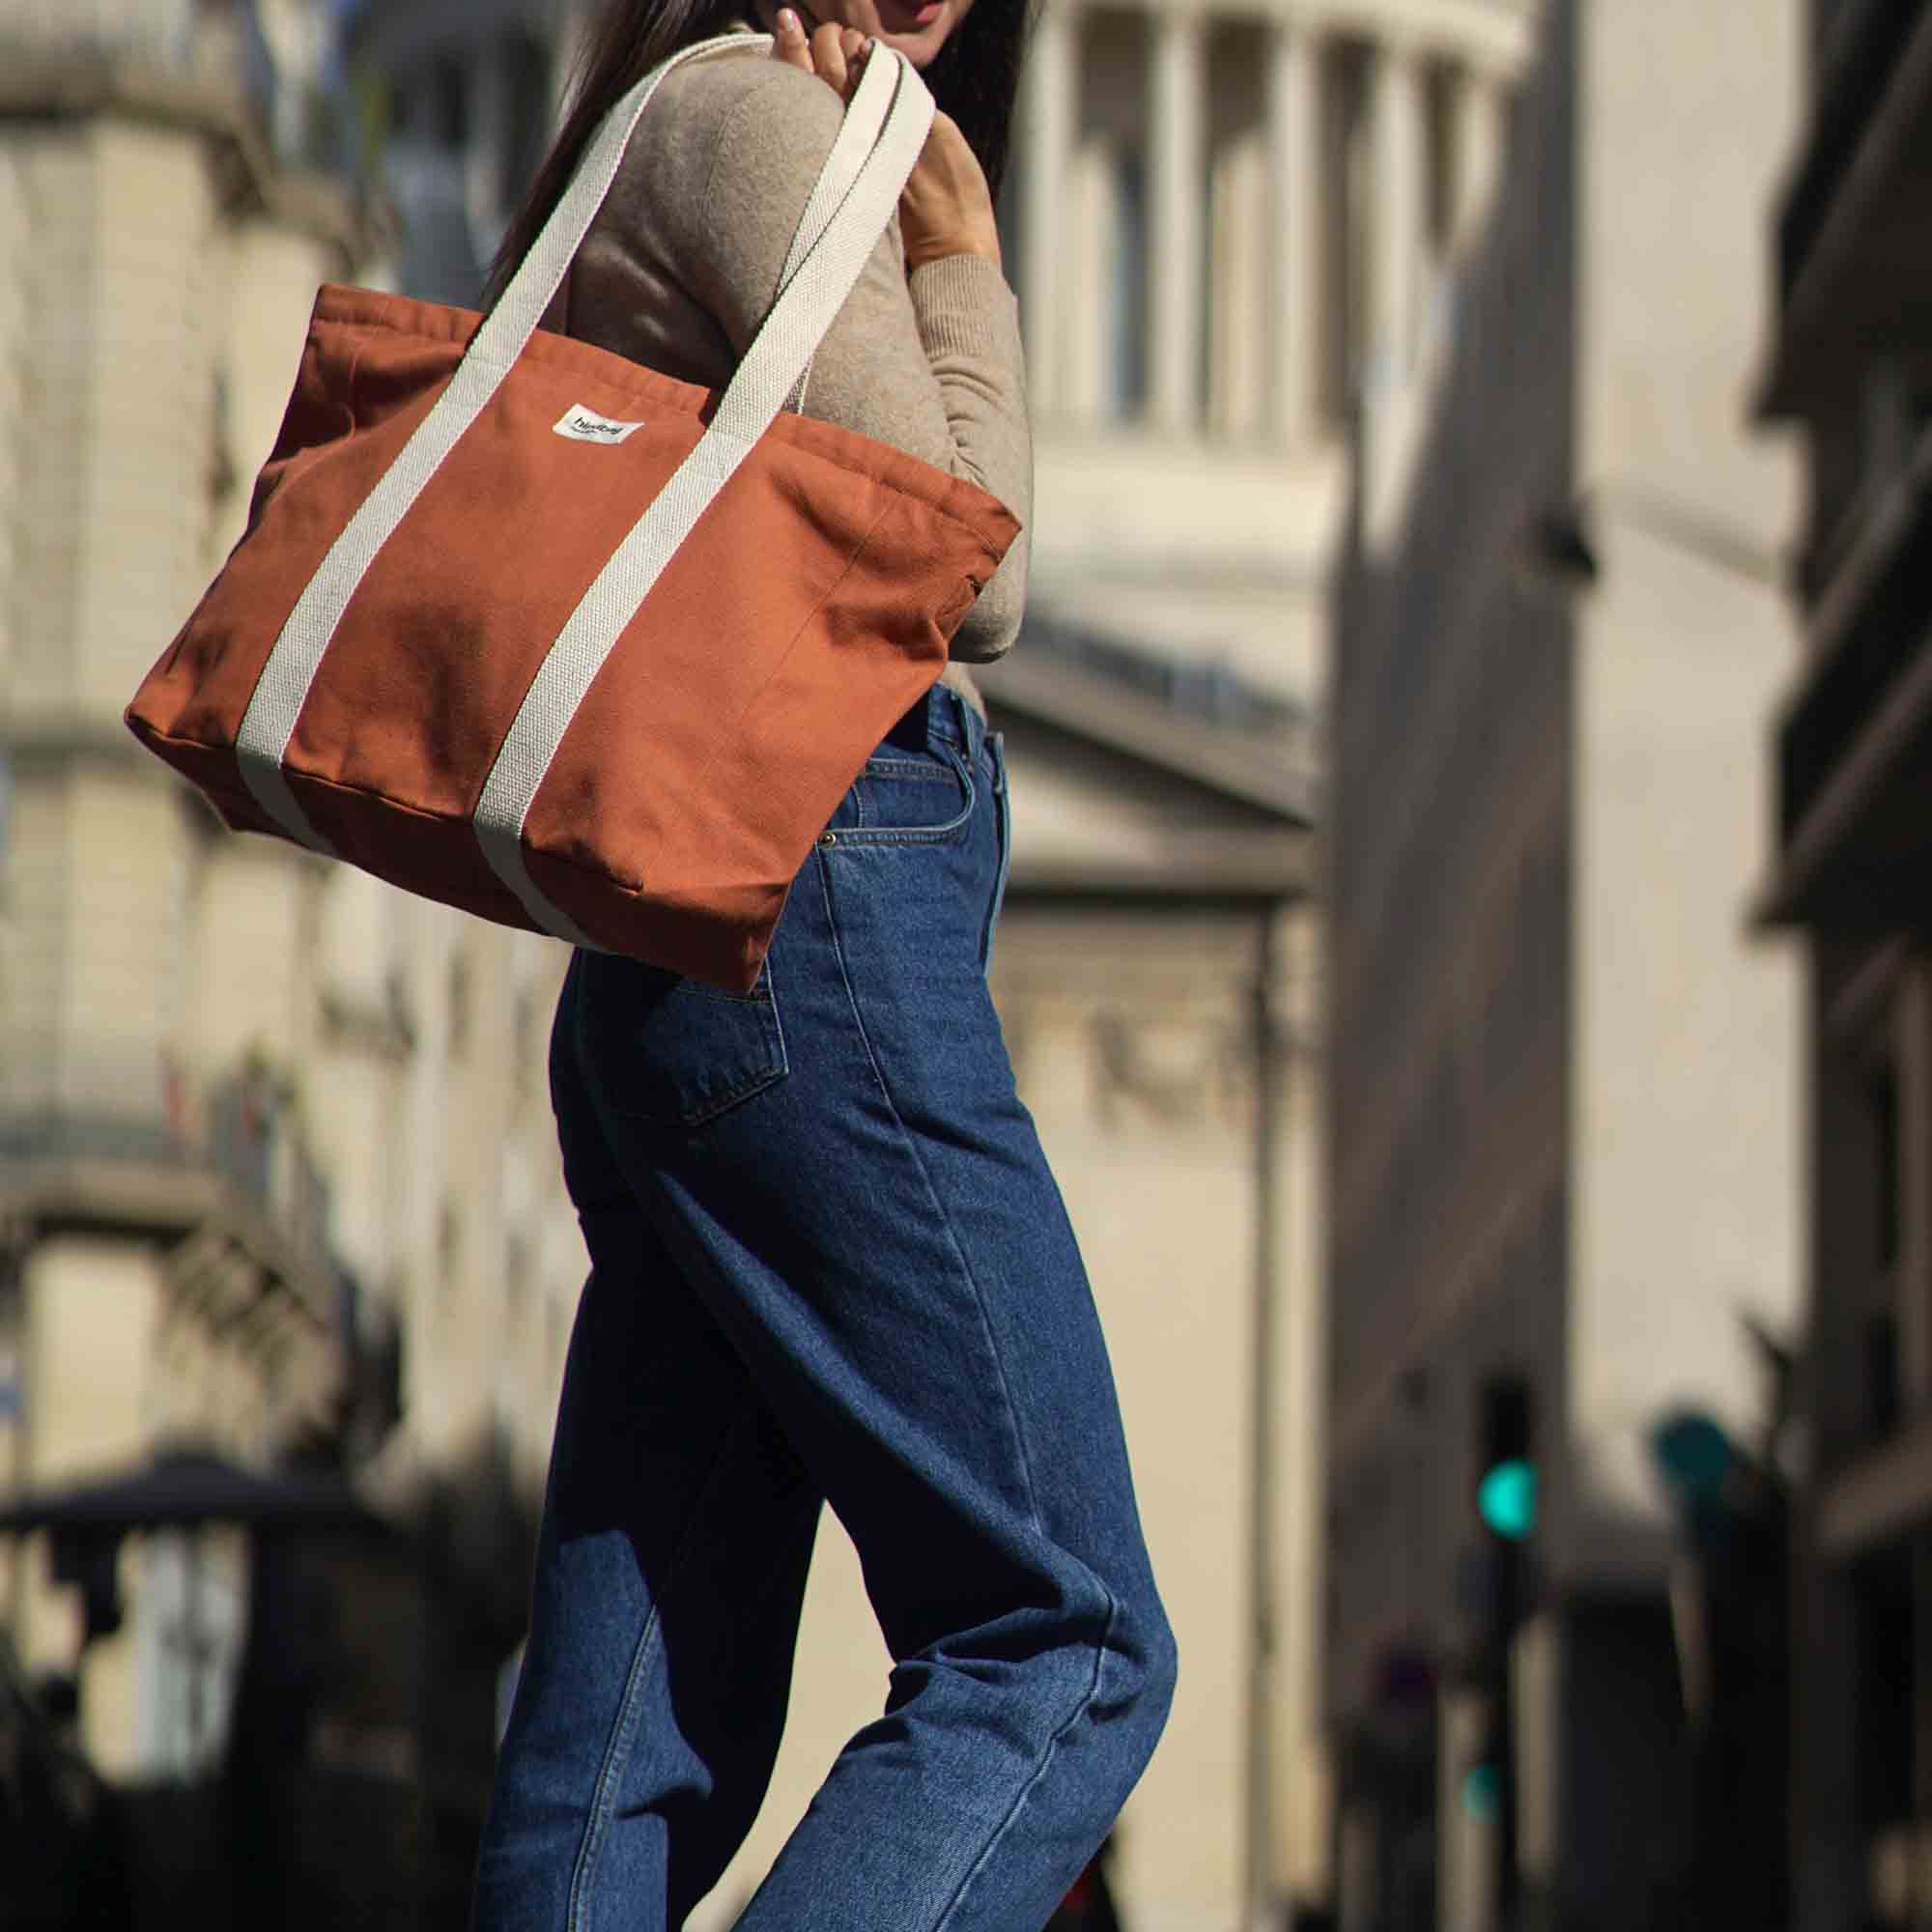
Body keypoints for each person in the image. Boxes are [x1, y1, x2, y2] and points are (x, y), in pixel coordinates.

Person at [468, 4, 1177, 1929]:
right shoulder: (761, 131)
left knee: (632, 1730)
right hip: (821, 897)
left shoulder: (657, 120)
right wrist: (956, 246)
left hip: (680, 949)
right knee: (1069, 1634)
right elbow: (964, 565)